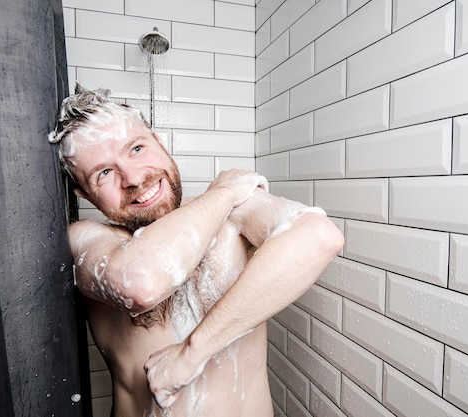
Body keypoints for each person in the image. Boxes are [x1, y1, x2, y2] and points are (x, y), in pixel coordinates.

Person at [48, 84, 344, 417]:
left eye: (136, 149)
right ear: (84, 195)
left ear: (159, 142)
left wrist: (192, 353)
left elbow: (319, 236)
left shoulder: (233, 216)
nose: (132, 178)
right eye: (104, 173)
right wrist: (226, 192)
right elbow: (143, 282)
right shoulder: (86, 241)